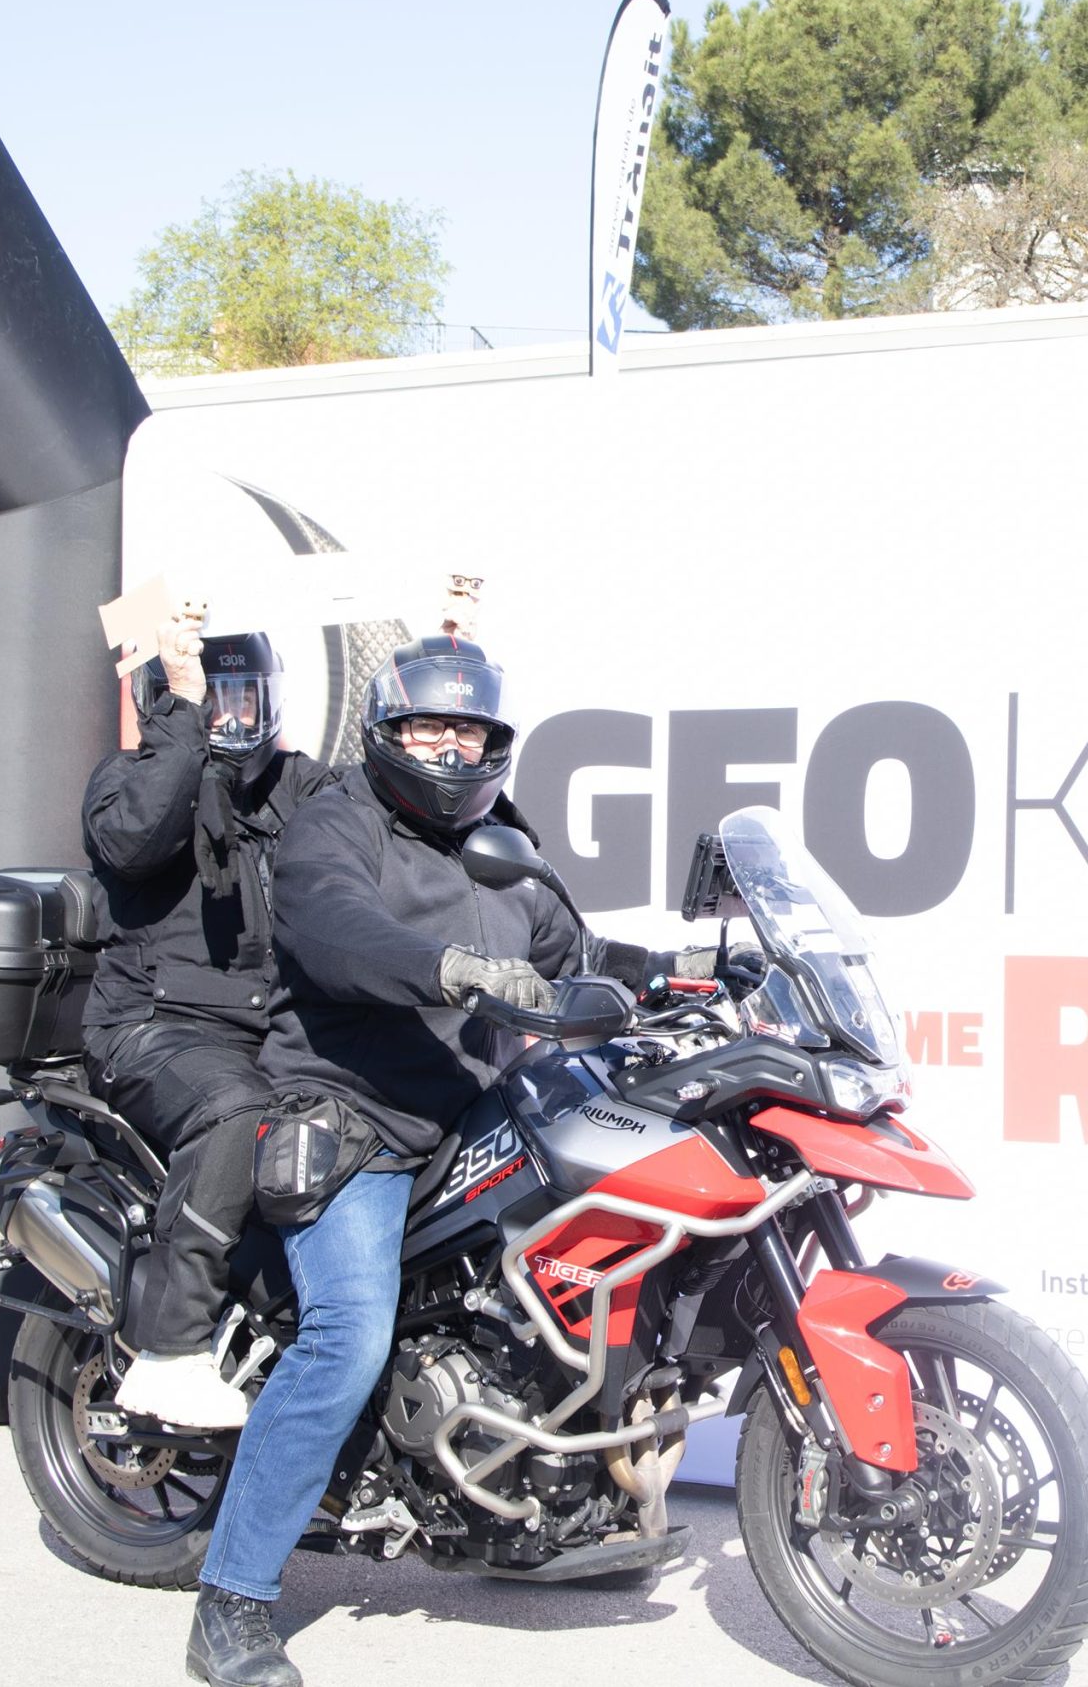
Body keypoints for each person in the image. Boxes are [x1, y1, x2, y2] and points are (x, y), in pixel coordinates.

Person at [183, 636, 721, 1687]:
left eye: (468, 730)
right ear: (387, 730)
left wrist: (683, 972)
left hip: (480, 1110)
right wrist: (448, 969)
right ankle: (232, 1601)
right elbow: (333, 927)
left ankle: (555, 1508)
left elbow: (571, 952)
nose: (449, 747)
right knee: (346, 1337)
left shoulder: (501, 838)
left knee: (580, 1279)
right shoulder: (337, 819)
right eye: (428, 725)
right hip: (360, 1118)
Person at [82, 609, 334, 1432]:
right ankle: (171, 1350)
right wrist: (183, 717)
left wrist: (444, 697)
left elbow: (394, 816)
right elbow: (135, 839)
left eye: (242, 697)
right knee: (235, 1109)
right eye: (210, 697)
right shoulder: (128, 781)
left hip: (268, 1033)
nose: (230, 715)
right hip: (152, 1028)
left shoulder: (296, 787)